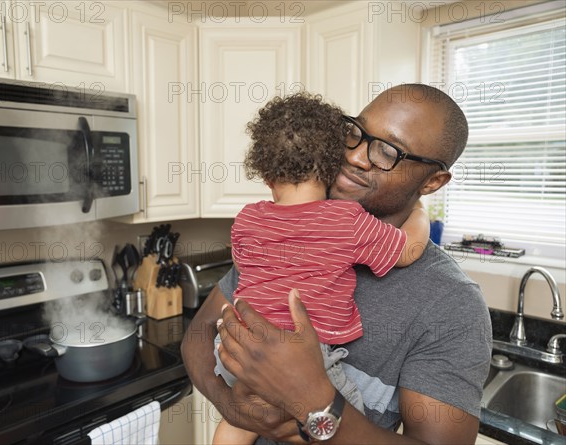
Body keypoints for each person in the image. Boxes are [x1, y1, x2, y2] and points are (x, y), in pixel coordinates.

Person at [181, 84, 493, 444]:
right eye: (354, 132)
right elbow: (198, 337)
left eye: (388, 151)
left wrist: (317, 407)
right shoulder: (292, 228)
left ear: (433, 182)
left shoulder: (452, 304)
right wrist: (238, 410)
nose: (357, 156)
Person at [211, 93, 430, 445]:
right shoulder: (345, 220)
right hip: (307, 357)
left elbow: (243, 262)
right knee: (350, 420)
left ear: (265, 173)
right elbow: (408, 250)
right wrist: (420, 214)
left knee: (239, 421)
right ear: (333, 166)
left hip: (238, 350)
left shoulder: (248, 218)